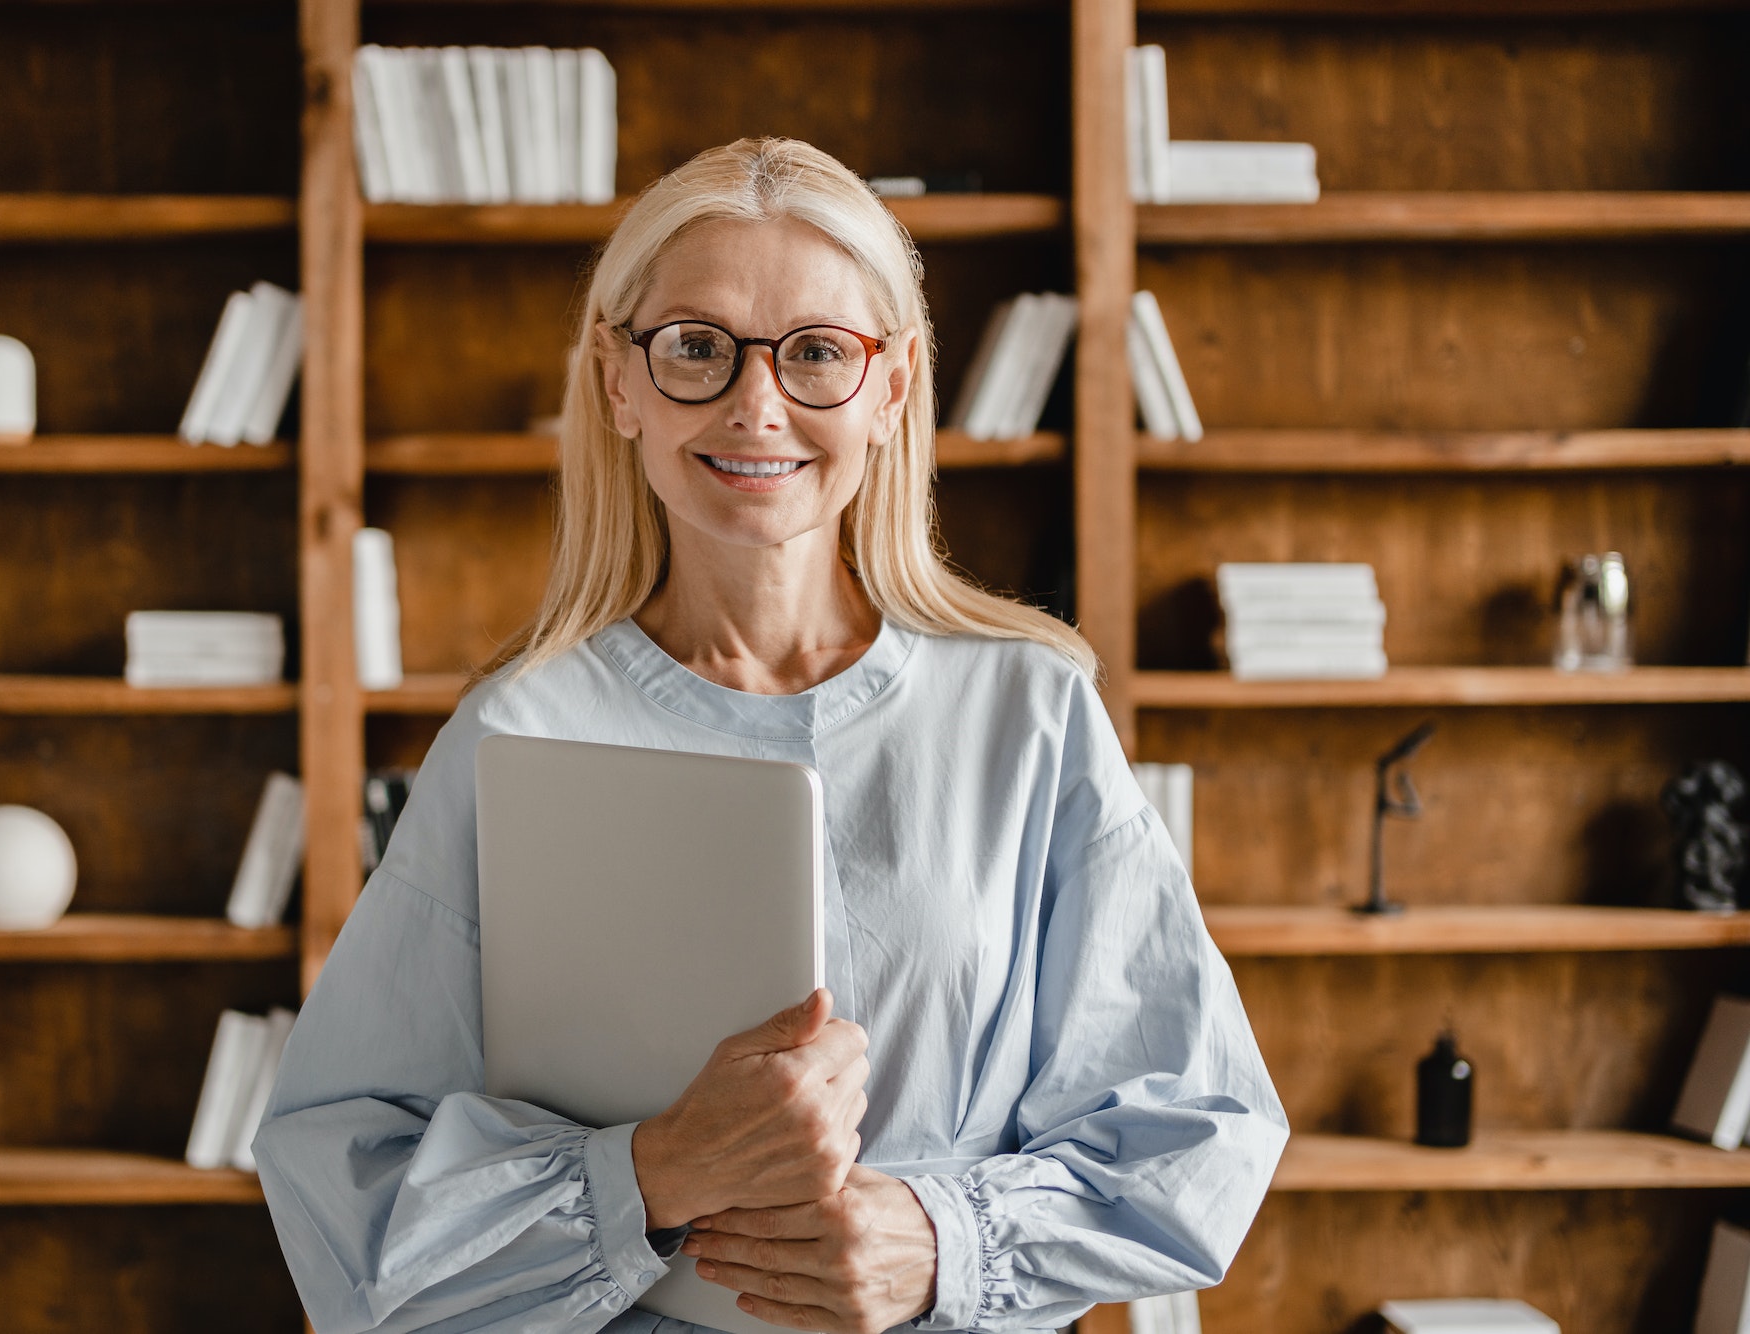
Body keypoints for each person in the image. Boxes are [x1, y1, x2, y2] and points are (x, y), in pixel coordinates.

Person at [253, 137, 1288, 1334]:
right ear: (616, 380)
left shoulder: (1027, 709)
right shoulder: (517, 730)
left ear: (892, 385)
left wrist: (940, 1240)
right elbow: (340, 1177)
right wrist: (651, 1172)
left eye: (815, 354)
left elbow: (1198, 1127)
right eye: (694, 346)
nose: (756, 405)